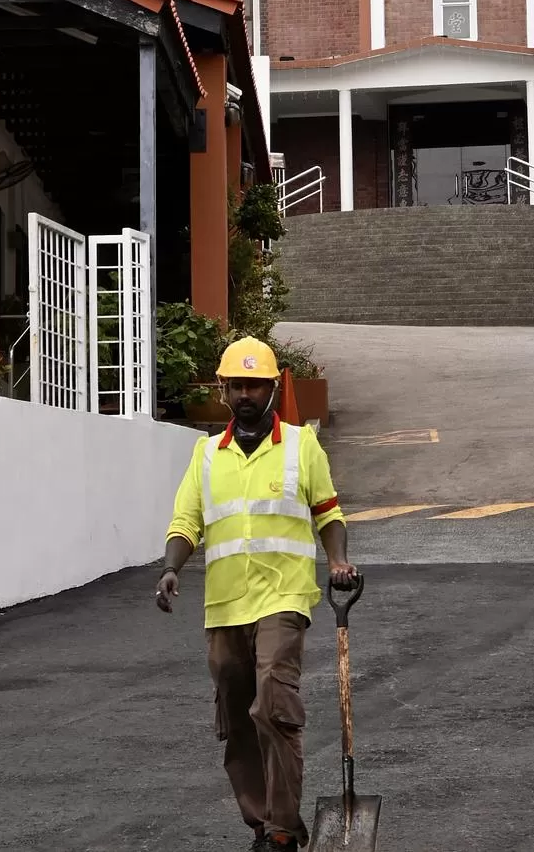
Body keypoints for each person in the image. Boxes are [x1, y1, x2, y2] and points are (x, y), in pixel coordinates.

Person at [156, 336, 356, 852]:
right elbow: (186, 522)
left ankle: (285, 828)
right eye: (237, 385)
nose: (246, 393)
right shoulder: (205, 455)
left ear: (272, 388)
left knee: (273, 702)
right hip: (223, 606)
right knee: (237, 716)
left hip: (284, 599)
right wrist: (171, 568)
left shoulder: (300, 446)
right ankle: (263, 825)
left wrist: (336, 561)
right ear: (223, 389)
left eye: (256, 385)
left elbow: (328, 514)